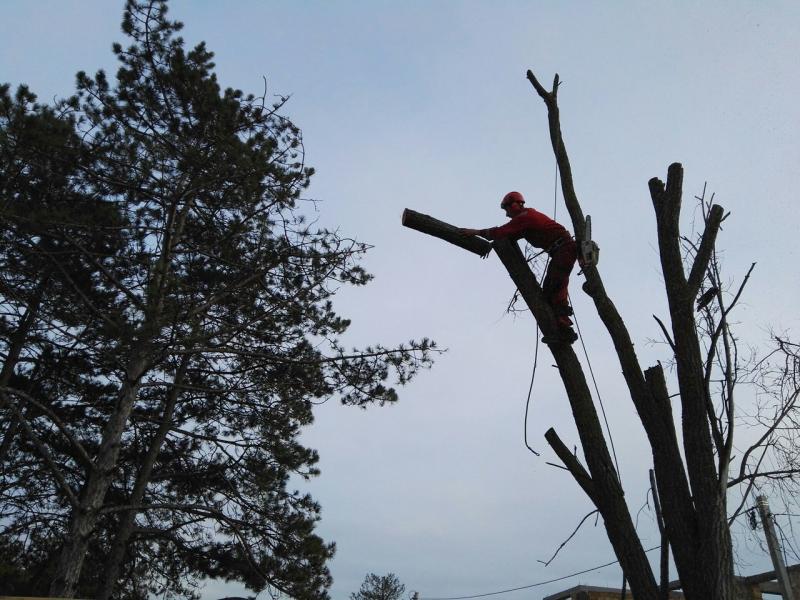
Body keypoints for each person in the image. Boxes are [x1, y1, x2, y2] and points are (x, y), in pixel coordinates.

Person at [461, 191, 578, 344]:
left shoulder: (525, 217)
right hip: (562, 251)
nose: (507, 215)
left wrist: (476, 232)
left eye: (507, 209)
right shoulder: (527, 219)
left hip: (564, 250)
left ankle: (564, 332)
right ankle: (562, 329)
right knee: (553, 287)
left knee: (553, 289)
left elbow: (501, 231)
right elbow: (510, 234)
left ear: (515, 204)